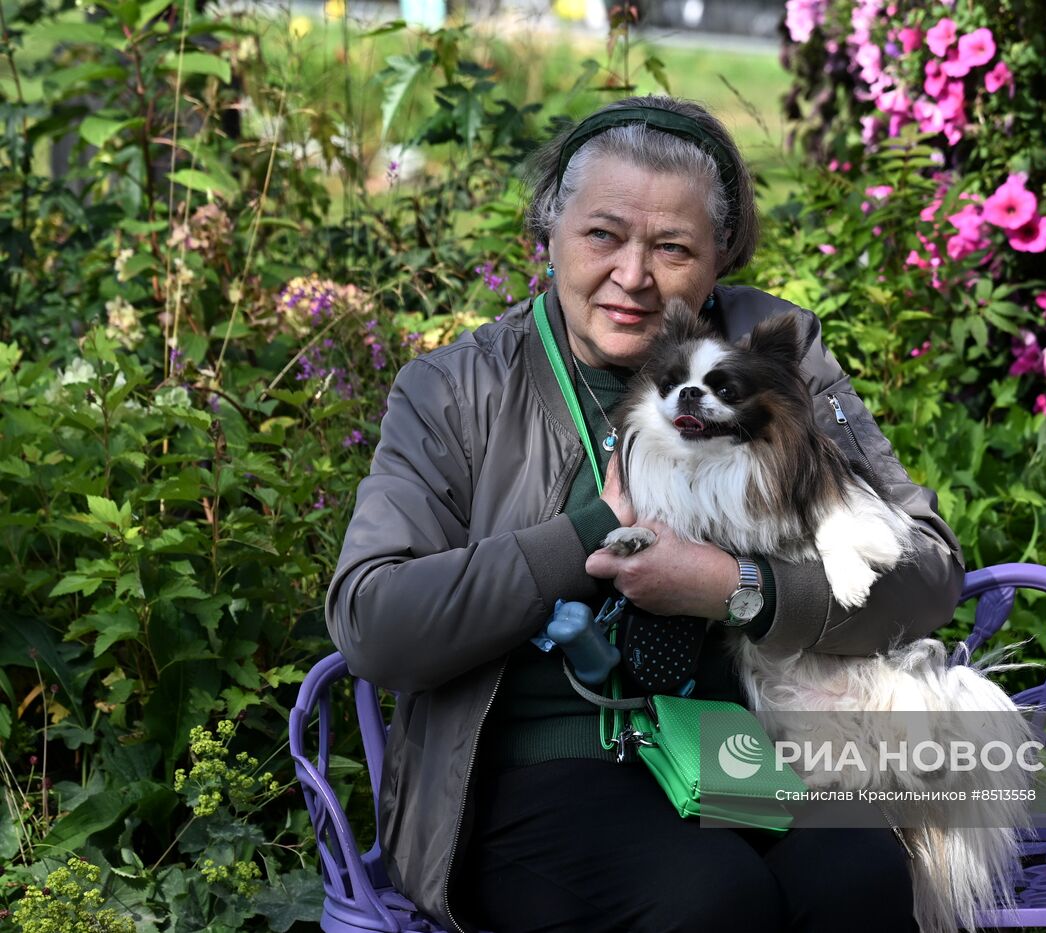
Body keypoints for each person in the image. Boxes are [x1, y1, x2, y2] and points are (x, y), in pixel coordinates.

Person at [325, 95, 965, 933]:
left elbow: (927, 573)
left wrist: (739, 588)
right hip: (527, 772)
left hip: (726, 751)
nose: (634, 276)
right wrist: (587, 535)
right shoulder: (454, 391)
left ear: (719, 257)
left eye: (672, 247)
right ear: (548, 227)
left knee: (860, 876)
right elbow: (374, 622)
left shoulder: (772, 357)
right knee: (707, 905)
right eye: (603, 235)